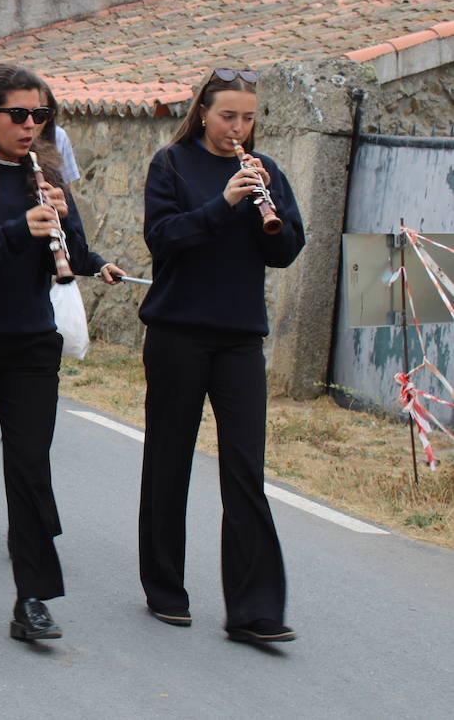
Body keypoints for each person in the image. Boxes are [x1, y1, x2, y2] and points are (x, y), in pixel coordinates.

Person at [0, 63, 124, 641]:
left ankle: (33, 596)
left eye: (41, 115)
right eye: (18, 114)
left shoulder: (49, 174)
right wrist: (19, 230)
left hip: (31, 342)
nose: (31, 125)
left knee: (30, 468)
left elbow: (76, 251)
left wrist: (70, 230)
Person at [137, 67, 304, 643]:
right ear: (203, 111)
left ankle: (255, 611)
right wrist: (221, 205)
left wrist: (265, 211)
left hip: (238, 337)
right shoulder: (172, 164)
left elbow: (285, 251)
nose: (239, 127)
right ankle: (165, 588)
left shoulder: (266, 171)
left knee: (245, 469)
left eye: (248, 116)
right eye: (228, 115)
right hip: (178, 331)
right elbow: (162, 238)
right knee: (169, 461)